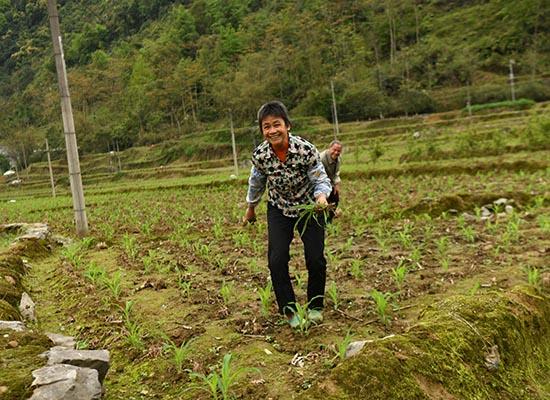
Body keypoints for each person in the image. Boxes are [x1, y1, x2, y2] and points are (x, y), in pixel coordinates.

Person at [243, 101, 332, 328]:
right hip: (279, 207)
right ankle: (290, 311)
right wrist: (251, 208)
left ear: (287, 126)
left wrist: (321, 197)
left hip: (309, 207)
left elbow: (320, 178)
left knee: (315, 258)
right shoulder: (261, 155)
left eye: (276, 125)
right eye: (266, 127)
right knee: (277, 259)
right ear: (262, 131)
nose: (272, 131)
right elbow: (257, 182)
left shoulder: (305, 149)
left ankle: (315, 307)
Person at [319, 140, 342, 219]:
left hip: (330, 181)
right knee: (323, 201)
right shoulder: (321, 158)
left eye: (338, 151)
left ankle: (330, 217)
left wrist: (336, 183)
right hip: (320, 182)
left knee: (335, 198)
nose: (336, 152)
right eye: (334, 150)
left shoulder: (338, 159)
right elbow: (316, 174)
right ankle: (322, 218)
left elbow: (336, 173)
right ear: (329, 149)